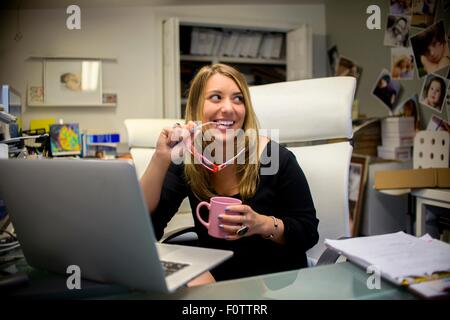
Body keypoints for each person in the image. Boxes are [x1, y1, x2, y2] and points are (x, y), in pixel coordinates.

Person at [140, 63, 319, 285]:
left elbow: (308, 232)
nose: (229, 108)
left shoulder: (277, 158)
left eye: (238, 99)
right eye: (216, 97)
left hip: (273, 279)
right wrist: (160, 159)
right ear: (196, 106)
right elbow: (143, 227)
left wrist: (261, 224)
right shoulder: (189, 157)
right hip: (215, 272)